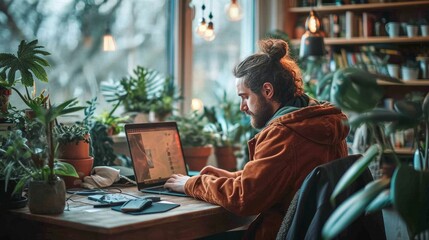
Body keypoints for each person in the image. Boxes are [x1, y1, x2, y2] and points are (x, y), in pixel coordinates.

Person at [164, 38, 349, 240]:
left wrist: (190, 184)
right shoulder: (320, 121)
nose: (243, 107)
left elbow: (244, 198)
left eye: (245, 97)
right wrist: (232, 177)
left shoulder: (285, 134)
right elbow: (281, 175)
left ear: (267, 91)